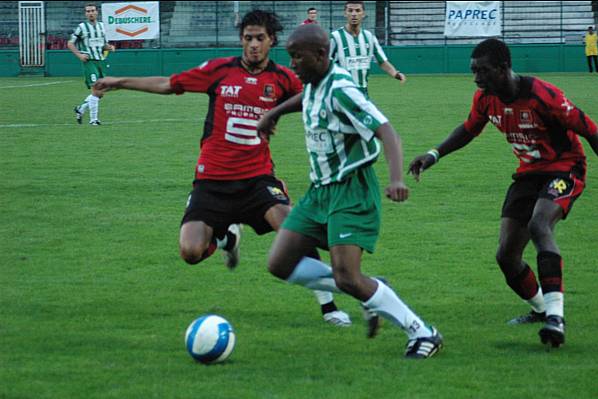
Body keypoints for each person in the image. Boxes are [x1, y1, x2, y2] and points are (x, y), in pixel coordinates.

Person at [93, 10, 350, 327]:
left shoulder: (283, 78)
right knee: (190, 252)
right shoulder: (219, 70)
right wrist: (120, 82)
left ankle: (330, 307)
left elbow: (315, 96)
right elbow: (169, 84)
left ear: (271, 41)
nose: (253, 45)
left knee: (295, 232)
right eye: (248, 38)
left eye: (260, 38)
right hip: (211, 183)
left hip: (258, 181)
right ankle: (226, 240)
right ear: (241, 39)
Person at [257, 24, 443, 359]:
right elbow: (309, 98)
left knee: (347, 277)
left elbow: (387, 131)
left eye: (298, 57)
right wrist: (275, 111)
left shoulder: (343, 87)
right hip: (319, 192)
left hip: (351, 190)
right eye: (290, 56)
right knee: (279, 263)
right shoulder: (314, 82)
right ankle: (372, 288)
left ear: (321, 55)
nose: (293, 63)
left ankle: (422, 332)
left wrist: (396, 178)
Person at [408, 38, 598, 348]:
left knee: (540, 225)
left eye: (482, 71)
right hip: (528, 175)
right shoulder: (485, 99)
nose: (477, 79)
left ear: (503, 68)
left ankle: (556, 317)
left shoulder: (544, 96)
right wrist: (433, 154)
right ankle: (540, 310)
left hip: (565, 168)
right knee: (506, 256)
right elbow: (469, 128)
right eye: (473, 71)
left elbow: (590, 130)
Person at [329, 1, 405, 95]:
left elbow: (382, 61)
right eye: (350, 10)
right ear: (345, 13)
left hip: (363, 92)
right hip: (342, 92)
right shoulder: (335, 37)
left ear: (363, 14)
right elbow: (323, 63)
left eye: (357, 10)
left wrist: (395, 74)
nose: (354, 14)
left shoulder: (369, 37)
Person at [68, 3, 115, 126]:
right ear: (85, 13)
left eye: (92, 10)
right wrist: (79, 55)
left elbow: (103, 45)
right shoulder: (82, 27)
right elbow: (70, 43)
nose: (90, 13)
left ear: (97, 12)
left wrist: (109, 47)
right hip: (89, 61)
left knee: (101, 93)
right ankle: (93, 120)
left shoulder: (101, 26)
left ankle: (81, 109)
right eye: (88, 11)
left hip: (101, 61)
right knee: (96, 89)